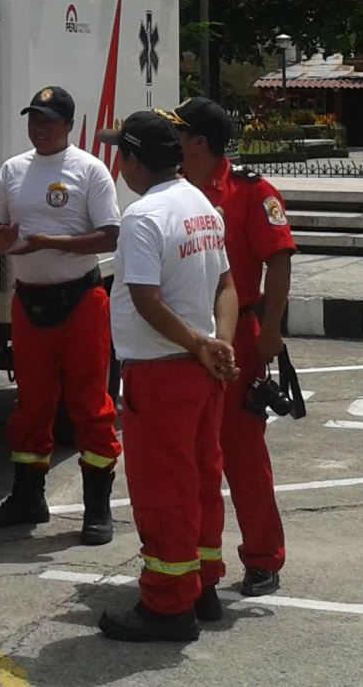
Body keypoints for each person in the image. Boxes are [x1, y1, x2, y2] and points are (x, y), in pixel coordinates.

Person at [93, 110, 236, 643]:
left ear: (132, 160)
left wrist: (202, 343)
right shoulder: (200, 202)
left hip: (162, 370)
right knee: (200, 480)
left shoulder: (143, 216)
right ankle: (201, 586)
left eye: (120, 153)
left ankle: (168, 605)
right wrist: (215, 342)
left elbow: (145, 299)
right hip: (199, 370)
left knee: (162, 491)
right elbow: (227, 284)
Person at [0, 85, 123, 544]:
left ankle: (97, 510)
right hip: (30, 301)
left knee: (90, 406)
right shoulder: (13, 170)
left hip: (80, 301)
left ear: (68, 125)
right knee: (31, 406)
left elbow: (109, 237)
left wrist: (49, 243)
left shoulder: (89, 170)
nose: (39, 129)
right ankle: (27, 498)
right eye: (33, 120)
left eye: (48, 121)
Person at [168, 96, 293, 598]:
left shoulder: (248, 190)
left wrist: (271, 331)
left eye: (179, 133)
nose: (172, 143)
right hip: (182, 335)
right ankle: (196, 558)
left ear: (199, 141)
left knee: (241, 452)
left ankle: (263, 557)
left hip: (237, 333)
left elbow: (279, 259)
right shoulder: (173, 189)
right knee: (189, 454)